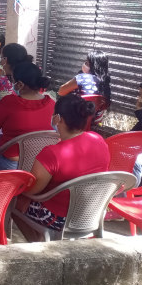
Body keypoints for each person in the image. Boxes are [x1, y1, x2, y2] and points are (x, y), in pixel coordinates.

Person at [15, 94, 110, 240]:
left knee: (13, 200)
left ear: (58, 118)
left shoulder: (52, 153)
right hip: (92, 211)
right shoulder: (98, 140)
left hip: (60, 218)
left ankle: (38, 245)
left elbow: (33, 190)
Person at [0, 62, 55, 172]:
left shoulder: (9, 102)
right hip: (39, 164)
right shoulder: (51, 103)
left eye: (13, 80)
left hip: (10, 165)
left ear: (20, 85)